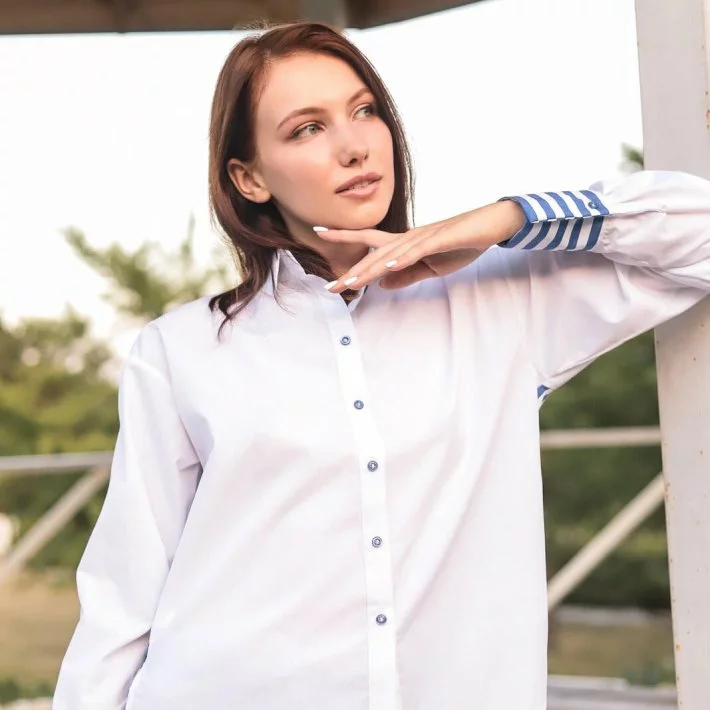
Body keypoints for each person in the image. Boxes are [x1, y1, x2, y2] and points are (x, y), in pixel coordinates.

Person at [53, 21, 710, 710]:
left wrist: (503, 219)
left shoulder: (501, 302)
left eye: (364, 111)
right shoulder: (180, 350)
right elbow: (122, 597)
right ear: (249, 178)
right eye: (308, 128)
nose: (354, 146)